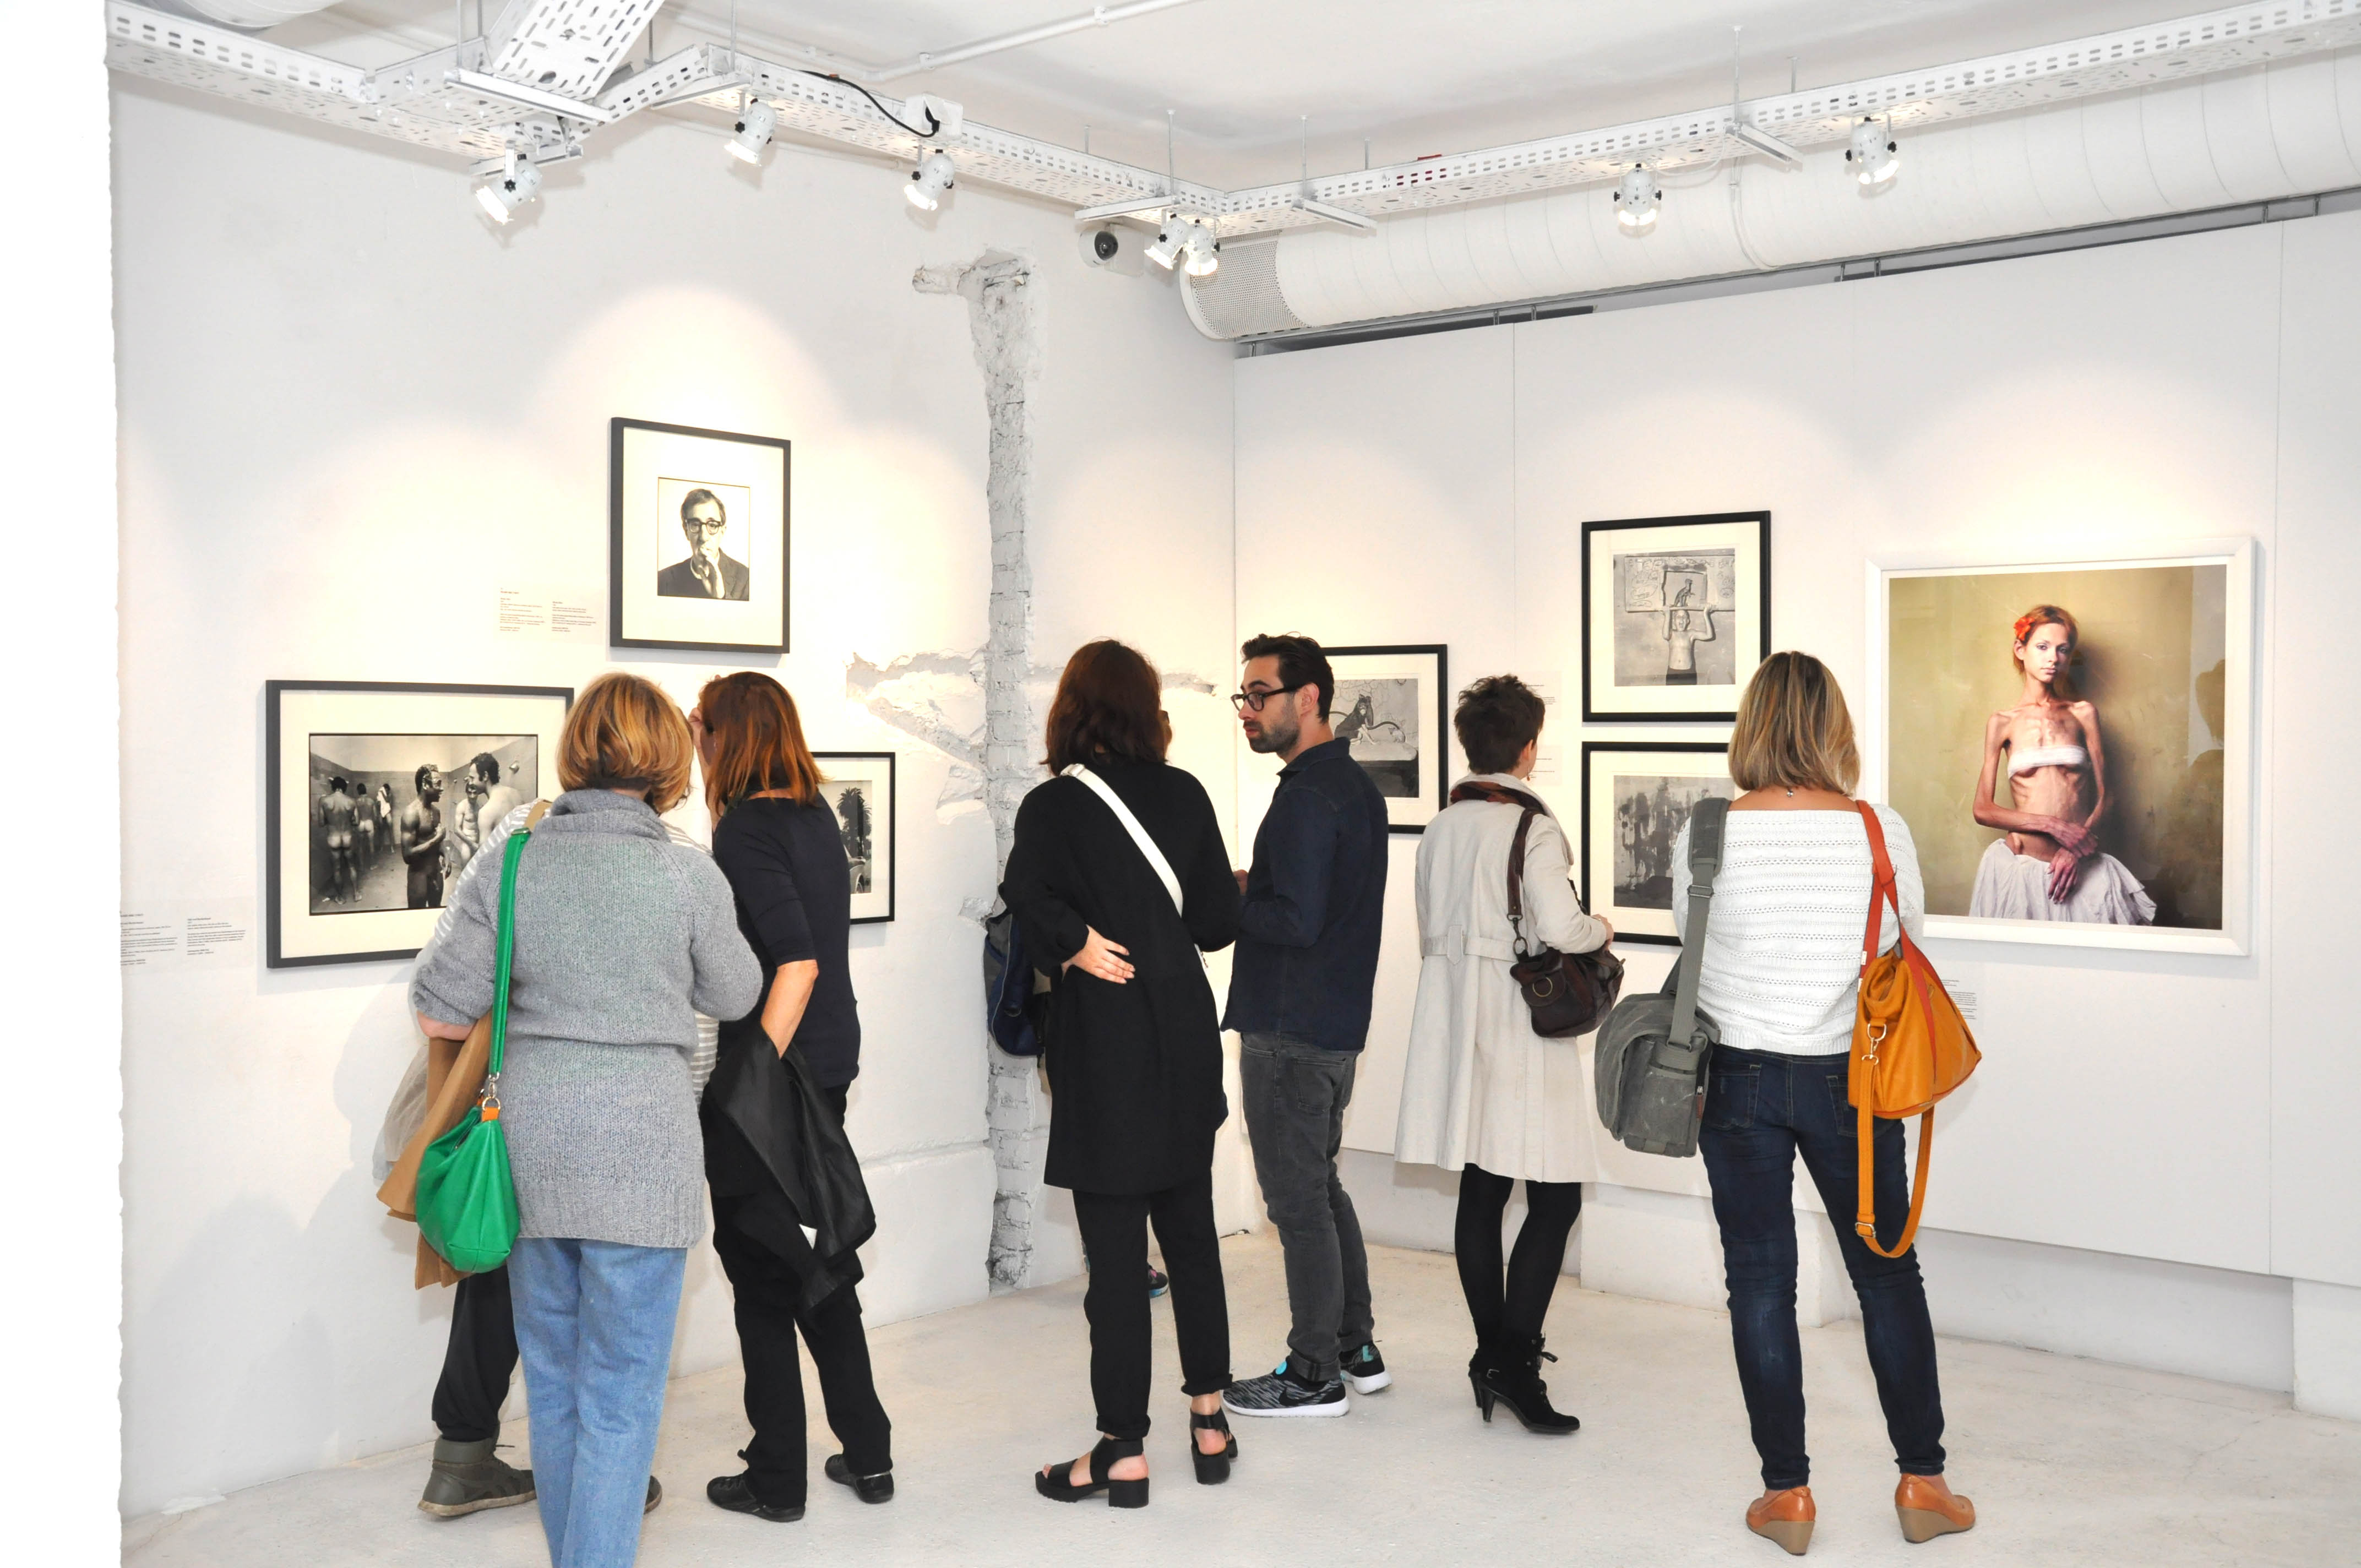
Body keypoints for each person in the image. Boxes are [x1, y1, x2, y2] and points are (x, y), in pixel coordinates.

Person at [410, 672, 762, 1568]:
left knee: (559, 1388)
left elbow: (440, 1008)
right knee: (621, 1397)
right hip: (644, 1152)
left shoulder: (513, 860)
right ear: (671, 761)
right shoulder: (687, 871)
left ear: (575, 750)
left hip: (534, 1151)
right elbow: (737, 992)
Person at [1675, 651, 1974, 1554]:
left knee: (1759, 1281)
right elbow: (1901, 940)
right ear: (1833, 728)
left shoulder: (1707, 829)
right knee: (1885, 1272)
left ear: (1751, 727)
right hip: (1854, 1077)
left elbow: (1694, 941)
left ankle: (1788, 1496)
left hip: (1737, 1076)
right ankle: (1923, 1482)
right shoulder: (1876, 828)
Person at [1000, 639, 1243, 1506]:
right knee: (1193, 1240)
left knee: (1116, 1265)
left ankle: (1123, 1449)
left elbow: (1023, 898)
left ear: (1071, 709)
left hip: (1105, 1046)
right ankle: (1210, 1424)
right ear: (1147, 709)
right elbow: (1216, 924)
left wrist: (1075, 942)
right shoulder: (1185, 793)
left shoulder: (1054, 805)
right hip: (1183, 1034)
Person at [686, 671, 896, 1524]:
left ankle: (778, 1479)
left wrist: (747, 1085)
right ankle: (869, 1452)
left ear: (727, 735)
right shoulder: (812, 815)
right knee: (814, 1259)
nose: (695, 741)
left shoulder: (745, 829)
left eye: (700, 726)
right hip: (827, 1061)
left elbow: (797, 965)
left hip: (780, 1070)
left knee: (760, 1275)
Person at [1394, 675, 1613, 1434]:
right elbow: (1561, 927)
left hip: (1456, 1016)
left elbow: (1432, 921)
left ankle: (1493, 1354)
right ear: (1527, 748)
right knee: (1555, 1196)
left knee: (1483, 1190)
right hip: (1519, 1023)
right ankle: (1513, 1363)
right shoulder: (1533, 828)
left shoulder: (1442, 826)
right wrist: (1601, 928)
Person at [1220, 633, 1391, 1419]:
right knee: (1319, 1188)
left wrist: (1235, 898)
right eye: (1244, 697)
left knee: (1296, 1203)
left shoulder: (1307, 797)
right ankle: (1354, 1347)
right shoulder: (1351, 787)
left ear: (1309, 698)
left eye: (1260, 695)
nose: (1247, 711)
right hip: (1331, 1022)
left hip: (1290, 1028)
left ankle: (1313, 1371)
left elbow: (1294, 920)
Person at [1968, 605, 2155, 924]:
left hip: (2080, 869)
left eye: (2063, 649)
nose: (2053, 658)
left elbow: (2107, 798)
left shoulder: (2083, 713)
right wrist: (2052, 825)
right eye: (2042, 647)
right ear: (2021, 650)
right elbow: (1982, 809)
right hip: (2022, 870)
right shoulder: (2002, 722)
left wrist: (2075, 850)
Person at [656, 487, 751, 601]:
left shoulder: (747, 579)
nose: (704, 537)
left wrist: (721, 598)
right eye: (695, 525)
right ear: (686, 531)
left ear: (722, 531)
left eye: (712, 525)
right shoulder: (662, 581)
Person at [399, 764, 448, 910]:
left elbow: (438, 840)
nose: (442, 789)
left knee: (435, 910)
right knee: (416, 915)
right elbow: (407, 855)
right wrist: (436, 840)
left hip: (436, 871)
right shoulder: (411, 813)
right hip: (418, 875)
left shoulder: (436, 811)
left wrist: (446, 855)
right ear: (425, 785)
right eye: (438, 784)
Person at [319, 776, 361, 904]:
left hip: (334, 838)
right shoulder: (352, 801)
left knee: (337, 869)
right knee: (352, 866)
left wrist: (331, 819)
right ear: (344, 787)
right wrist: (348, 820)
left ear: (333, 787)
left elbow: (321, 823)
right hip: (347, 837)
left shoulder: (324, 800)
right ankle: (356, 894)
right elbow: (357, 822)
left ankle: (340, 898)